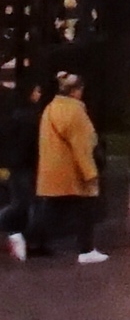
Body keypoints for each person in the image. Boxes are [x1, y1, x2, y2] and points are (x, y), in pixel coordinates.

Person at [28, 76, 102, 266]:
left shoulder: (50, 108)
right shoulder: (76, 112)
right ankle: (86, 250)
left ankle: (33, 242)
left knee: (51, 208)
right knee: (86, 210)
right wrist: (90, 173)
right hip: (72, 171)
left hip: (52, 170)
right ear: (76, 90)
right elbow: (82, 146)